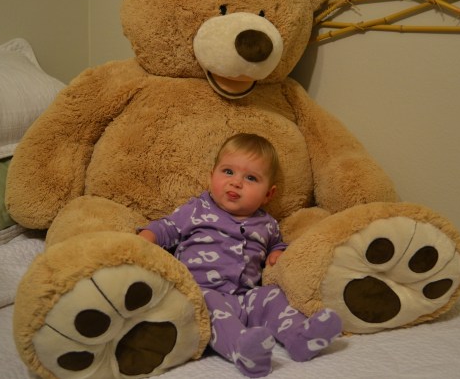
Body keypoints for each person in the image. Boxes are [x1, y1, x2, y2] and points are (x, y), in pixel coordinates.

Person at [138, 133, 342, 378]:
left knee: (273, 296)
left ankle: (300, 337)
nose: (236, 183)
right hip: (200, 293)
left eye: (251, 178)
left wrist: (277, 253)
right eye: (228, 172)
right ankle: (242, 348)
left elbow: (277, 244)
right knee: (211, 306)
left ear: (268, 194)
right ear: (211, 176)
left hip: (247, 298)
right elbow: (167, 228)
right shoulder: (197, 209)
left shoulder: (267, 224)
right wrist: (146, 238)